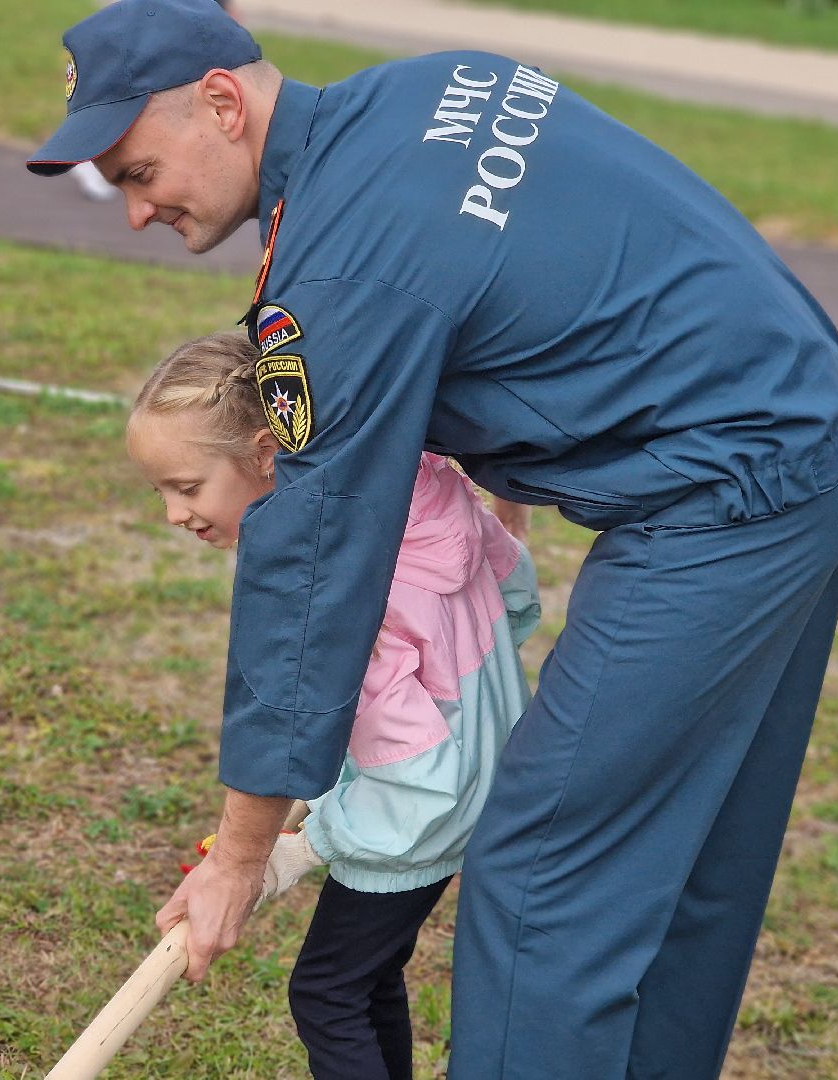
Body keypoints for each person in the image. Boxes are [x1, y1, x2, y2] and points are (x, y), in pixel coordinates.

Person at [27, 2, 838, 1075]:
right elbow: (531, 284)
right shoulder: (428, 86)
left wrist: (241, 852)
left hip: (727, 498)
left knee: (542, 869)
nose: (135, 210)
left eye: (140, 171)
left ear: (221, 102)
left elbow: (313, 563)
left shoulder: (336, 274)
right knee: (687, 854)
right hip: (811, 419)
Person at [127, 331, 540, 1079]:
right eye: (158, 492)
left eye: (186, 488)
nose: (172, 514)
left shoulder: (348, 597)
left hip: (426, 809)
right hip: (483, 756)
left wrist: (297, 852)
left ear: (265, 452)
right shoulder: (414, 492)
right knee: (368, 976)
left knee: (327, 993)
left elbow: (415, 782)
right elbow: (513, 591)